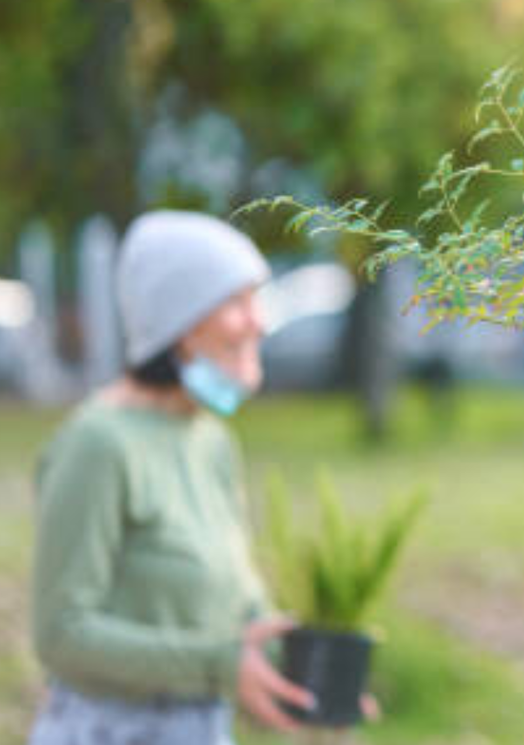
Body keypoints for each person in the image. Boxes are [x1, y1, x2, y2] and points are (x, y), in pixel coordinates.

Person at [29, 211, 314, 745]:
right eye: (237, 302)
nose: (259, 322)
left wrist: (307, 672)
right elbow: (60, 633)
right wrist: (217, 663)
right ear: (179, 325)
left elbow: (237, 598)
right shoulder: (97, 445)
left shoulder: (211, 440)